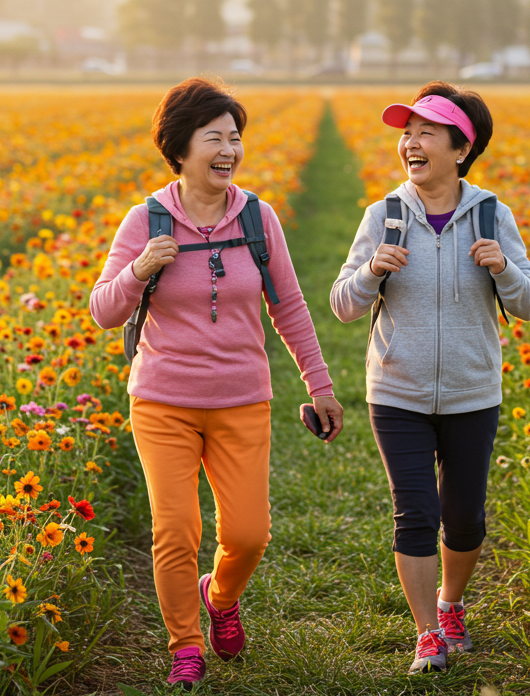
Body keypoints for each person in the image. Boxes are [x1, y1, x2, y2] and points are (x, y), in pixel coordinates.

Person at [89, 77, 344, 690]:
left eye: (236, 137)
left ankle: (221, 595)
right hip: (162, 400)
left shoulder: (258, 217)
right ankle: (185, 644)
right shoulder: (145, 219)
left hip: (241, 397)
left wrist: (320, 384)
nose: (229, 149)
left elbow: (289, 308)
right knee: (175, 530)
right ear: (179, 147)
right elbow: (103, 310)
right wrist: (140, 268)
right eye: (215, 138)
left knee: (249, 534)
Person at [330, 82, 530, 674]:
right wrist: (372, 270)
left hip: (473, 390)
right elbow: (343, 303)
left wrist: (504, 271)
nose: (410, 144)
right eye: (407, 133)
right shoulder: (384, 215)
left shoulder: (494, 216)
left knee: (466, 515)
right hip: (397, 388)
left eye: (426, 133)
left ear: (459, 149)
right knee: (416, 510)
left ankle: (451, 602)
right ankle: (428, 634)